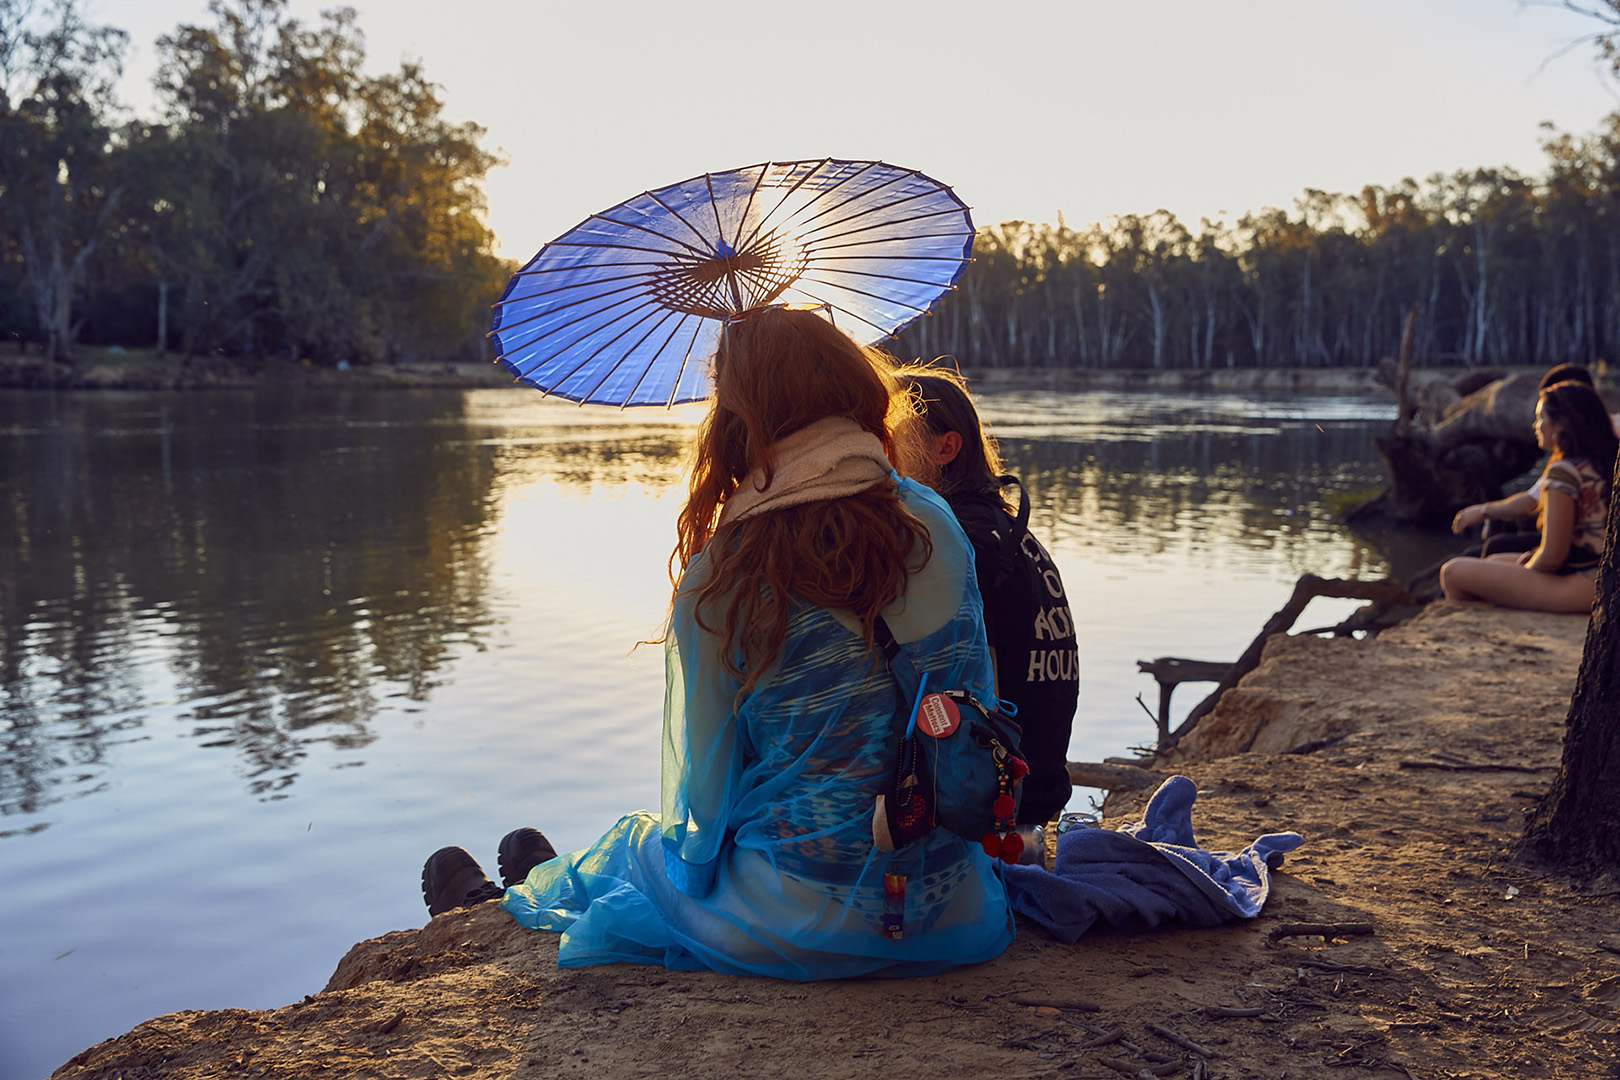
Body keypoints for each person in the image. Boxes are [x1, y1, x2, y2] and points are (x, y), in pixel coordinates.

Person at [421, 305, 1014, 979]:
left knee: (638, 852)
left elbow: (705, 806)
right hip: (958, 913)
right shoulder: (936, 521)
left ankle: (526, 894)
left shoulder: (724, 574)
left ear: (736, 422)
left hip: (803, 926)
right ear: (856, 391)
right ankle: (544, 879)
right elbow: (978, 708)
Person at [894, 366, 1078, 832]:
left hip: (1001, 796)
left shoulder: (961, 540)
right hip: (1041, 782)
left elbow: (982, 689)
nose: (882, 455)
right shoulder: (1001, 527)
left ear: (945, 448)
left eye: (895, 439)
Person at [1440, 379, 1617, 613]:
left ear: (1561, 424)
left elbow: (1553, 556)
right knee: (1494, 561)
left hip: (1588, 583)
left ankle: (1468, 627)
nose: (1535, 425)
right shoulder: (1606, 461)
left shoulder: (1564, 472)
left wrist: (1527, 566)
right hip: (1600, 574)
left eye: (1541, 418)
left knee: (1453, 572)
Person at [1451, 364, 1616, 556]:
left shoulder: (1571, 462)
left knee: (1469, 564)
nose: (1536, 424)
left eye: (1544, 411)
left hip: (1582, 555)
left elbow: (1531, 502)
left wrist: (1484, 511)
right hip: (1585, 551)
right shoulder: (1595, 441)